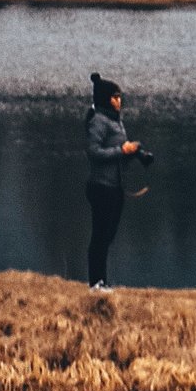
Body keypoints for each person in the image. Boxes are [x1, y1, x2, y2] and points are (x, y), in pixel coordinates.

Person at [85, 71, 139, 291]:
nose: (119, 101)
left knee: (109, 234)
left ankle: (103, 281)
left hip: (116, 187)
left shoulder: (116, 121)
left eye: (119, 97)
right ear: (105, 99)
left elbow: (118, 152)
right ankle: (95, 283)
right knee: (100, 235)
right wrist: (121, 150)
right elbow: (93, 152)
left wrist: (135, 153)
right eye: (114, 97)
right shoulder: (98, 121)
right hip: (101, 187)